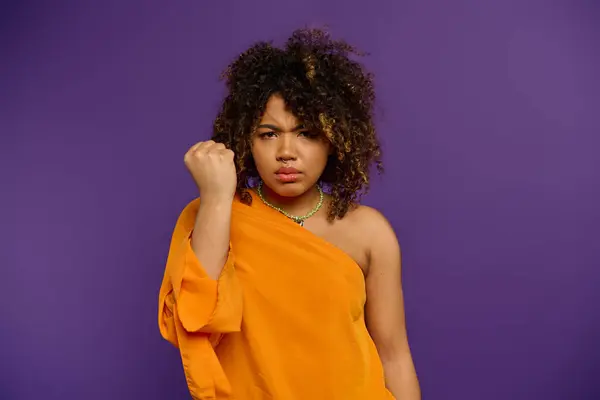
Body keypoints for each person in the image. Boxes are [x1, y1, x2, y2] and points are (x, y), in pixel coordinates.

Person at [158, 28, 420, 400]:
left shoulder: (370, 232)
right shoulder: (215, 216)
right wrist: (217, 196)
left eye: (307, 133)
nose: (286, 151)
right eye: (268, 134)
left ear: (335, 140)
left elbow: (394, 355)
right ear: (244, 138)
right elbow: (193, 317)